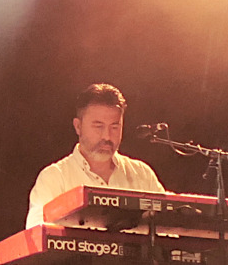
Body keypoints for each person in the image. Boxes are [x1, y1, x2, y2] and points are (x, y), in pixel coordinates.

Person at [26, 84, 166, 228]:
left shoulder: (142, 174)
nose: (107, 136)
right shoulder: (54, 177)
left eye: (115, 127)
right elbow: (36, 236)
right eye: (98, 126)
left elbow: (170, 231)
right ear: (78, 127)